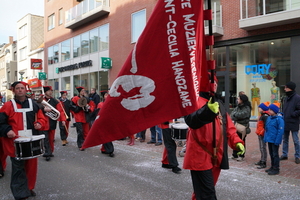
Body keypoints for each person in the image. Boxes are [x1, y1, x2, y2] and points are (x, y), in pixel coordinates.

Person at [183, 77, 245, 200]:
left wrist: (237, 142)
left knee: (202, 192)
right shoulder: (193, 101)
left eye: (216, 83)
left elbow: (229, 128)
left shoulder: (219, 103)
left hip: (217, 156)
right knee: (208, 194)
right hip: (200, 156)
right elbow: (191, 120)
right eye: (211, 82)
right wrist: (208, 111)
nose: (214, 85)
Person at [0, 81, 47, 199]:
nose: (20, 90)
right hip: (15, 142)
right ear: (14, 90)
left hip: (32, 141)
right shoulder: (8, 106)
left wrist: (39, 123)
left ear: (25, 90)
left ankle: (29, 188)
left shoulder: (34, 104)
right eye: (18, 88)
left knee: (31, 167)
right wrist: (7, 130)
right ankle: (20, 193)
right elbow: (1, 122)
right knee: (18, 169)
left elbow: (41, 118)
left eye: (22, 88)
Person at [40, 86, 67, 161]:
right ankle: (47, 153)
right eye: (48, 91)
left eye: (51, 91)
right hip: (44, 122)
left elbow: (60, 111)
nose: (50, 92)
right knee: (45, 138)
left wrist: (63, 120)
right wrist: (43, 109)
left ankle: (50, 151)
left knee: (51, 138)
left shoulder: (55, 101)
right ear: (45, 92)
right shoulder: (41, 100)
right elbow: (37, 107)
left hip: (52, 122)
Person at [280, 81, 300, 164]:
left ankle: (297, 156)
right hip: (286, 121)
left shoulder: (297, 98)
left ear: (290, 88)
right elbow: (284, 109)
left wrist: (292, 114)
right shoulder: (286, 98)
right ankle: (285, 154)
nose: (284, 89)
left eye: (286, 88)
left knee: (296, 140)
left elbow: (299, 110)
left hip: (293, 121)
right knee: (285, 139)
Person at [264, 103, 284, 175]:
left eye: (270, 109)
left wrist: (277, 140)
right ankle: (272, 166)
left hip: (275, 139)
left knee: (275, 154)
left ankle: (276, 168)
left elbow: (280, 131)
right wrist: (265, 138)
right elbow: (267, 128)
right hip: (270, 139)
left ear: (274, 111)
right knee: (271, 153)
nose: (268, 111)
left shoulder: (279, 119)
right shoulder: (269, 118)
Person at [230, 94, 252, 161]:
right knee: (235, 140)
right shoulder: (238, 107)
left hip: (243, 127)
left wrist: (236, 115)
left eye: (238, 99)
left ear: (242, 100)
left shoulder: (247, 108)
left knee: (242, 141)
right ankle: (235, 154)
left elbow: (242, 115)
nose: (237, 100)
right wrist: (236, 116)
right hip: (236, 126)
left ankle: (241, 155)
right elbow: (232, 115)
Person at [97, 91, 115, 157]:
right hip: (103, 122)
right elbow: (98, 114)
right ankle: (110, 151)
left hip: (109, 122)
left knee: (107, 136)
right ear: (103, 96)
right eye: (105, 95)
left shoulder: (111, 103)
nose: (107, 96)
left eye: (108, 95)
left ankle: (104, 149)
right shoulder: (100, 104)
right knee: (106, 136)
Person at [255, 101, 270, 169]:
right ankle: (262, 160)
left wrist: (262, 131)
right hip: (260, 133)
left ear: (263, 109)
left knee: (263, 147)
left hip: (262, 134)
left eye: (260, 108)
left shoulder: (265, 116)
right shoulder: (262, 115)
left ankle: (264, 161)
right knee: (261, 147)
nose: (258, 109)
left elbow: (266, 125)